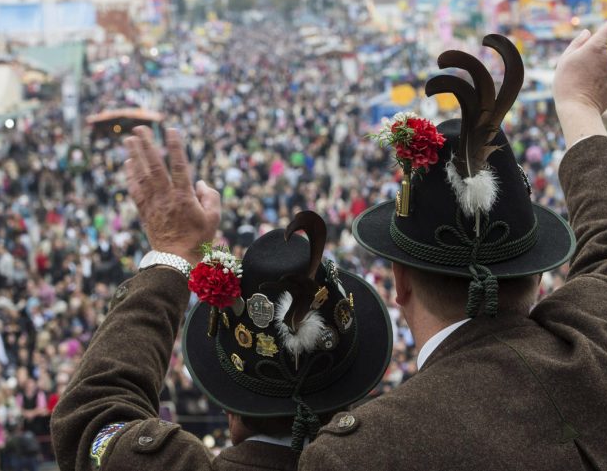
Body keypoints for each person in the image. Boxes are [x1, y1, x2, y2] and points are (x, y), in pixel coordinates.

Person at [299, 4, 607, 469]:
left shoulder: (365, 453)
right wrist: (580, 105)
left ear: (399, 284)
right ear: (537, 277)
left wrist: (184, 260)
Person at [50, 126, 392, 471]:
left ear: (230, 409)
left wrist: (171, 254)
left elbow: (90, 417)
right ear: (356, 386)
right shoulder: (421, 450)